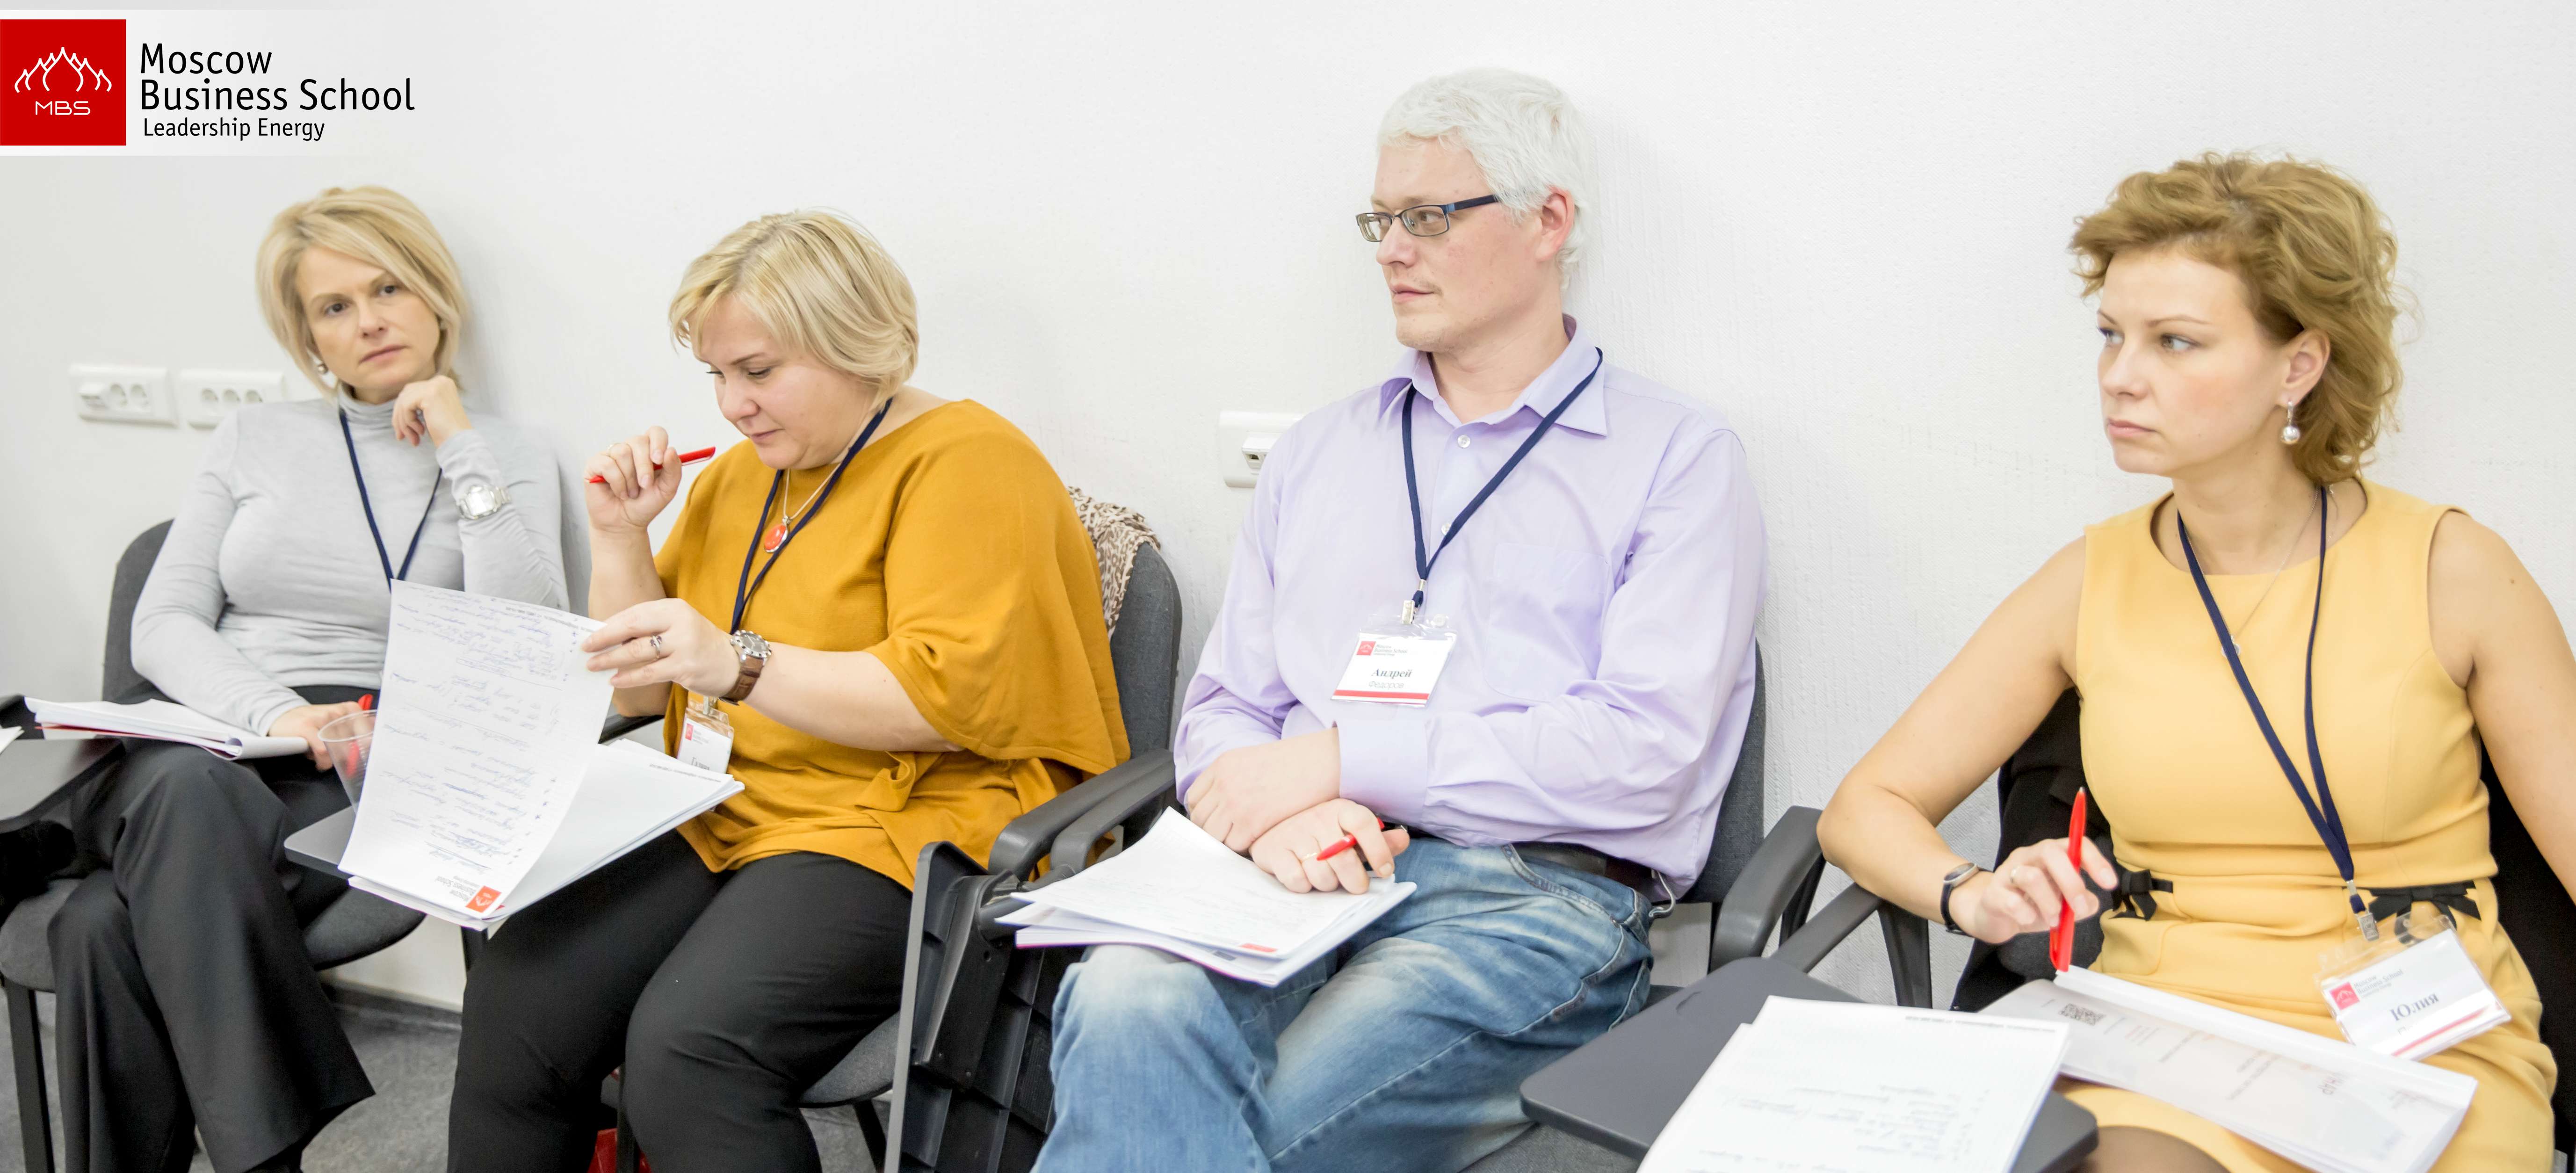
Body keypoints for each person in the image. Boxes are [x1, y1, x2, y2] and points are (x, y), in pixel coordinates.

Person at [1035, 69, 1766, 1173]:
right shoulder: (1318, 455)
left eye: (1428, 217)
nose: (1390, 251)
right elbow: (1228, 704)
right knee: (1122, 1000)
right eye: (1380, 220)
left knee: (1238, 1134)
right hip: (1290, 863)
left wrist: (1342, 761)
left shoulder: (1678, 461)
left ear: (1548, 222)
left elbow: (1643, 755)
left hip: (1528, 899)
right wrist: (1274, 817)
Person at [1817, 153, 2569, 1172]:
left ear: (2298, 367)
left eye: (2175, 341)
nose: (2121, 375)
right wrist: (1973, 894)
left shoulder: (2452, 570)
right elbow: (1864, 808)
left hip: (2420, 1048)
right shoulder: (2090, 580)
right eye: (2112, 335)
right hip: (2169, 1048)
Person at [444, 209, 1127, 1173]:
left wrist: (739, 665)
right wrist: (619, 536)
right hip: (735, 805)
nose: (733, 405)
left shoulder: (971, 462)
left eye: (758, 371)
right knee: (519, 1001)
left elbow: (944, 703)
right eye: (717, 376)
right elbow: (639, 691)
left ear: (860, 345)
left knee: (691, 1052)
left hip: (909, 821)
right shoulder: (742, 478)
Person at [23, 186, 568, 1173]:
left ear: (435, 294)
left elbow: (520, 635)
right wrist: (276, 712)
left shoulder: (509, 453)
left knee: (102, 927)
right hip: (207, 735)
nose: (369, 322)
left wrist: (460, 444)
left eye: (389, 288)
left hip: (360, 762)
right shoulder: (254, 438)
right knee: (188, 792)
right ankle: (264, 1159)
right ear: (308, 337)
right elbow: (163, 623)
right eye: (335, 307)